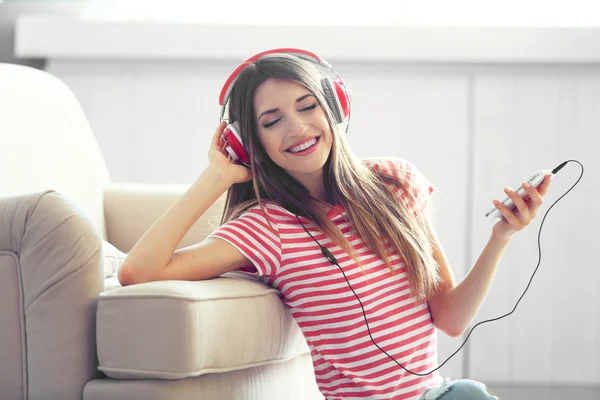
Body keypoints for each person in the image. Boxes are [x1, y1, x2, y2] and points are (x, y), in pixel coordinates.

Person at [117, 49, 553, 400]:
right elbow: (139, 271)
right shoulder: (267, 226)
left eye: (308, 106)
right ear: (251, 143)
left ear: (335, 107)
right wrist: (216, 177)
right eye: (272, 121)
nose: (298, 128)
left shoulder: (396, 182)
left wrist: (501, 237)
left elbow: (451, 318)